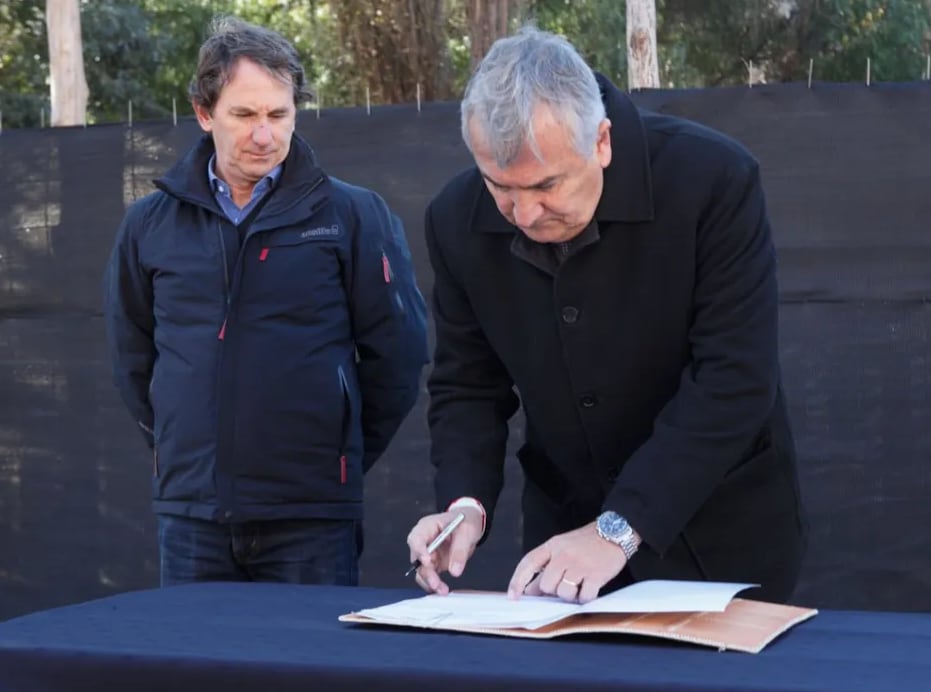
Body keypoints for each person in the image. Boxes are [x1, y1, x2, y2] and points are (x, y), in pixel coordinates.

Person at [406, 26, 807, 604]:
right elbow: (467, 383)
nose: (522, 212)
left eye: (545, 185)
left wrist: (618, 528)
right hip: (563, 531)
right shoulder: (453, 217)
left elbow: (735, 379)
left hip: (720, 531)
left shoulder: (713, 181)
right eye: (499, 185)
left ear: (601, 142)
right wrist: (463, 504)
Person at [104, 17, 428, 587]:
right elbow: (133, 358)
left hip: (311, 519)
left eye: (279, 114)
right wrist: (186, 451)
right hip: (192, 518)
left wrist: (335, 456)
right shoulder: (147, 224)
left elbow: (397, 357)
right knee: (196, 675)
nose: (264, 134)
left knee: (309, 675)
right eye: (245, 115)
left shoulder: (353, 215)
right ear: (205, 114)